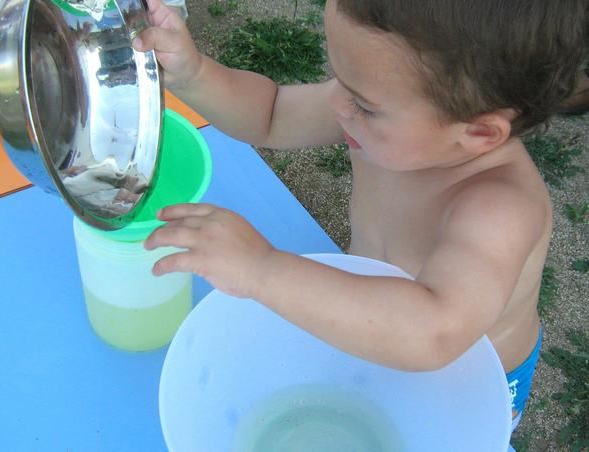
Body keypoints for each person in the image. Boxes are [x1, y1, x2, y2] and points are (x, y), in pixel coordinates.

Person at [134, 0, 587, 430]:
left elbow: (434, 331)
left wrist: (262, 268)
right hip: (373, 321)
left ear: (479, 132)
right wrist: (193, 74)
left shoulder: (498, 206)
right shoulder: (380, 114)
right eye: (340, 80)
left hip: (464, 384)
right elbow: (271, 114)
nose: (337, 105)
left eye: (363, 103)